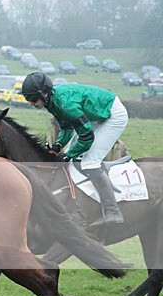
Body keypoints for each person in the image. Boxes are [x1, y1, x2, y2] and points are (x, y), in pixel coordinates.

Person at [21, 71, 128, 224]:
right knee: (75, 158)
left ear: (45, 93)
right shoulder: (52, 102)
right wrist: (57, 147)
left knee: (89, 162)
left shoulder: (65, 104)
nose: (31, 103)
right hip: (97, 115)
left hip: (113, 115)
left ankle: (113, 211)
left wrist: (67, 155)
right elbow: (66, 128)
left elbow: (87, 137)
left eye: (33, 98)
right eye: (27, 99)